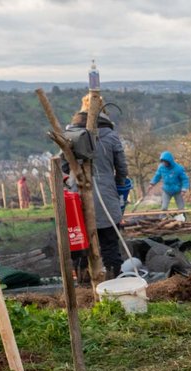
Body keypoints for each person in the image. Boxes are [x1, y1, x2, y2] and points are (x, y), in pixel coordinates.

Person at [65, 108, 129, 278]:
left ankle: (83, 279)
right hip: (106, 196)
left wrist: (70, 182)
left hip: (77, 196)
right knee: (109, 241)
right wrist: (118, 185)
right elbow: (121, 167)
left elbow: (63, 165)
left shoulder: (71, 136)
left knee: (81, 242)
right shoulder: (111, 137)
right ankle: (114, 278)